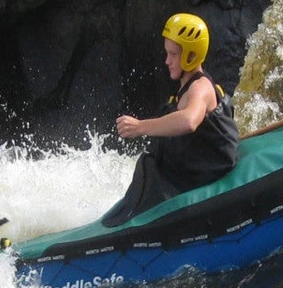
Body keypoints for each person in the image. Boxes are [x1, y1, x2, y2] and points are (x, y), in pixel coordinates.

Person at [101, 13, 240, 228]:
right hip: (190, 169)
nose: (167, 61)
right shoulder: (185, 88)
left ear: (191, 55)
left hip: (206, 173)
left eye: (173, 54)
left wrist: (140, 127)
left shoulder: (200, 88)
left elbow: (189, 121)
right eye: (167, 53)